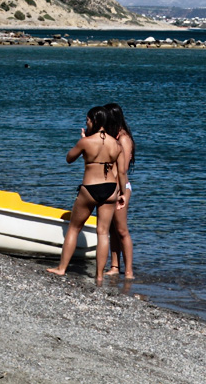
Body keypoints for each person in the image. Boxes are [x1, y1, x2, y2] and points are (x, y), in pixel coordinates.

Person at [47, 106, 125, 283]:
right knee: (103, 232)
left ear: (95, 121)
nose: (86, 123)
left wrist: (82, 142)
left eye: (88, 120)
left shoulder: (86, 142)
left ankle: (61, 268)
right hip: (111, 189)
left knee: (74, 228)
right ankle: (98, 276)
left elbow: (69, 158)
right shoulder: (116, 144)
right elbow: (121, 172)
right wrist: (122, 194)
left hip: (90, 188)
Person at [104, 103, 135, 279]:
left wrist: (122, 192)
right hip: (112, 187)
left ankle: (129, 270)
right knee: (112, 230)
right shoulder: (113, 136)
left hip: (121, 187)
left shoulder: (123, 139)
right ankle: (115, 266)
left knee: (122, 230)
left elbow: (122, 169)